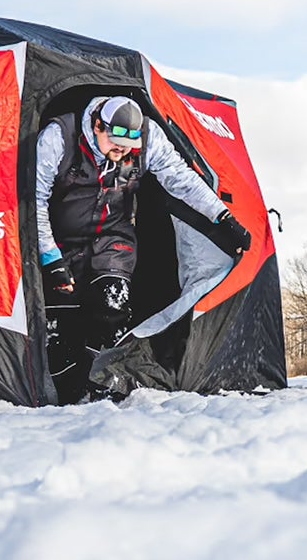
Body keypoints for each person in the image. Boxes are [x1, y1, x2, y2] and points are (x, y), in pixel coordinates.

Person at [37, 95, 251, 403]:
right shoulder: (58, 137)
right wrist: (50, 257)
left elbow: (180, 178)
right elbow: (35, 199)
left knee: (112, 306)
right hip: (60, 240)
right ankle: (65, 392)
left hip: (114, 237)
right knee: (62, 325)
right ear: (97, 125)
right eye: (114, 142)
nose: (121, 152)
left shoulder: (148, 138)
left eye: (127, 147)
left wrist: (222, 216)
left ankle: (101, 385)